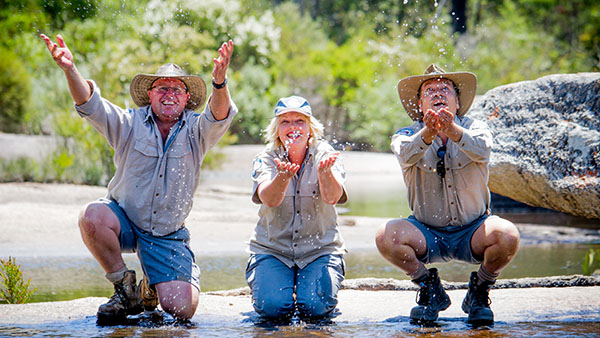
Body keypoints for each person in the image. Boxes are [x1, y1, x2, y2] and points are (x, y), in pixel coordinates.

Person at [40, 33, 237, 323]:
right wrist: (71, 69)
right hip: (125, 222)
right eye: (161, 88)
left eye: (176, 89)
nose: (169, 93)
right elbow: (91, 105)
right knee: (92, 215)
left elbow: (220, 115)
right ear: (150, 94)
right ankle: (124, 288)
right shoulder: (128, 123)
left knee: (183, 310)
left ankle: (150, 287)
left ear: (186, 98)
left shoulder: (198, 131)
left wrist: (219, 82)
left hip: (168, 234)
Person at [375, 64, 520, 326]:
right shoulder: (405, 134)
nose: (438, 93)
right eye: (429, 90)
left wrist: (452, 131)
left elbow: (483, 150)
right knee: (385, 235)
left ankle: (479, 291)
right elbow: (405, 153)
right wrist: (429, 133)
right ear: (420, 104)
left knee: (508, 235)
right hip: (426, 233)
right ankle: (429, 289)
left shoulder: (477, 128)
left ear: (457, 101)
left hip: (474, 231)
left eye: (445, 89)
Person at [246, 95, 348, 322]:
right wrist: (282, 178)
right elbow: (269, 199)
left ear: (310, 128)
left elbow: (333, 197)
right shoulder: (266, 157)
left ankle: (306, 288)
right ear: (276, 130)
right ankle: (279, 285)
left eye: (299, 121)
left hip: (319, 249)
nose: (293, 127)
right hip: (273, 249)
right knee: (272, 310)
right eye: (285, 122)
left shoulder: (326, 154)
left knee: (315, 309)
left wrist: (324, 173)